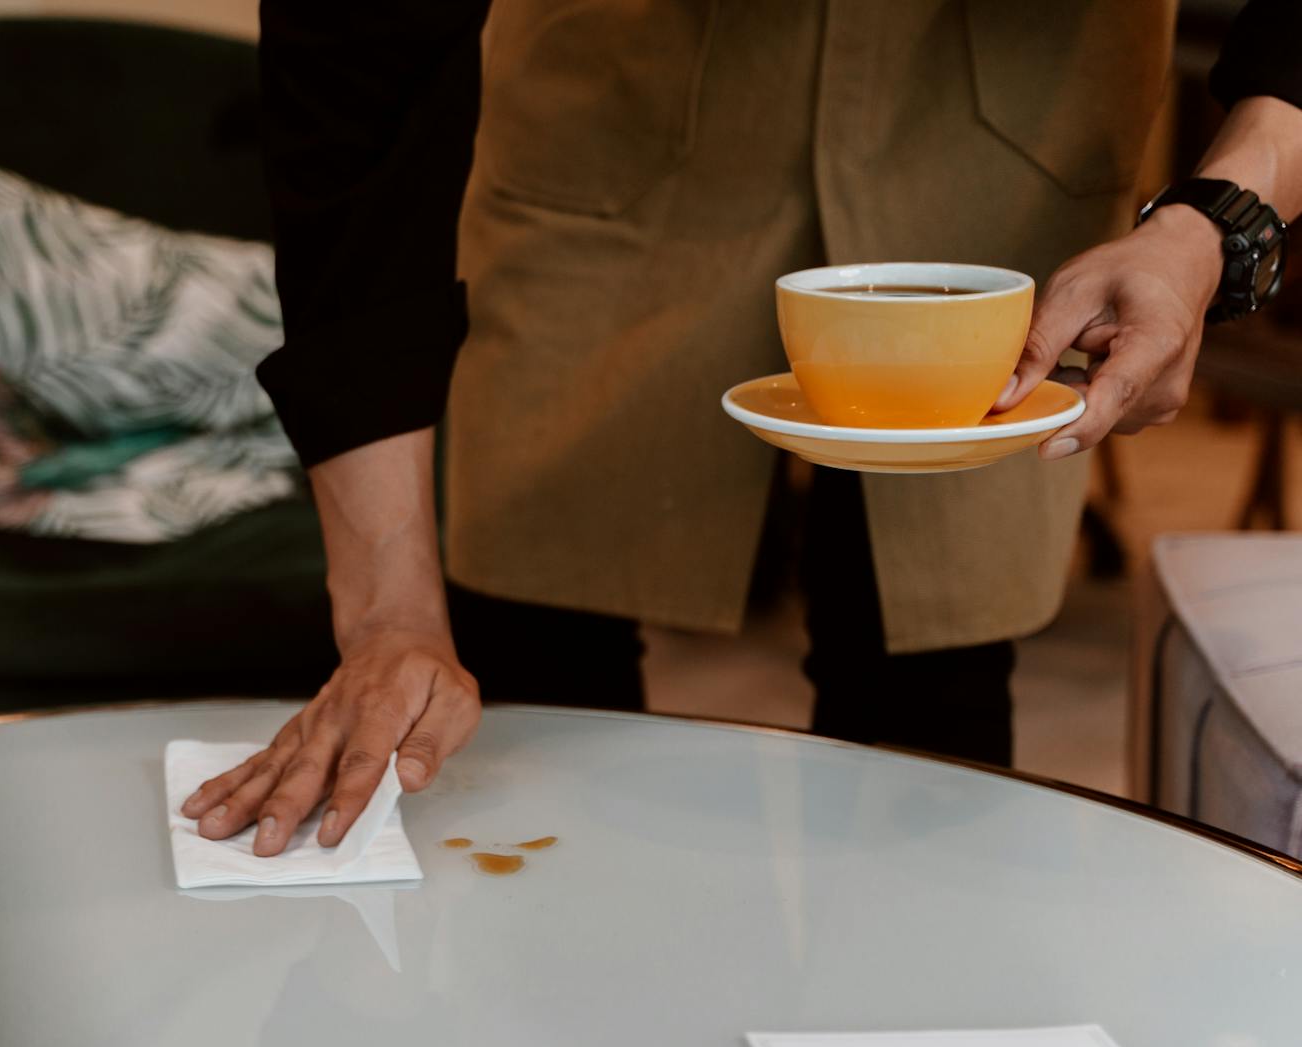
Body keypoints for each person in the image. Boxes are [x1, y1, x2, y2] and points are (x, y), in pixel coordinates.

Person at [185, 0, 1302, 856]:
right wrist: (386, 610)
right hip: (617, 113)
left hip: (1006, 136)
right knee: (537, 651)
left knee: (930, 671)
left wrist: (1220, 217)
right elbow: (357, 77)